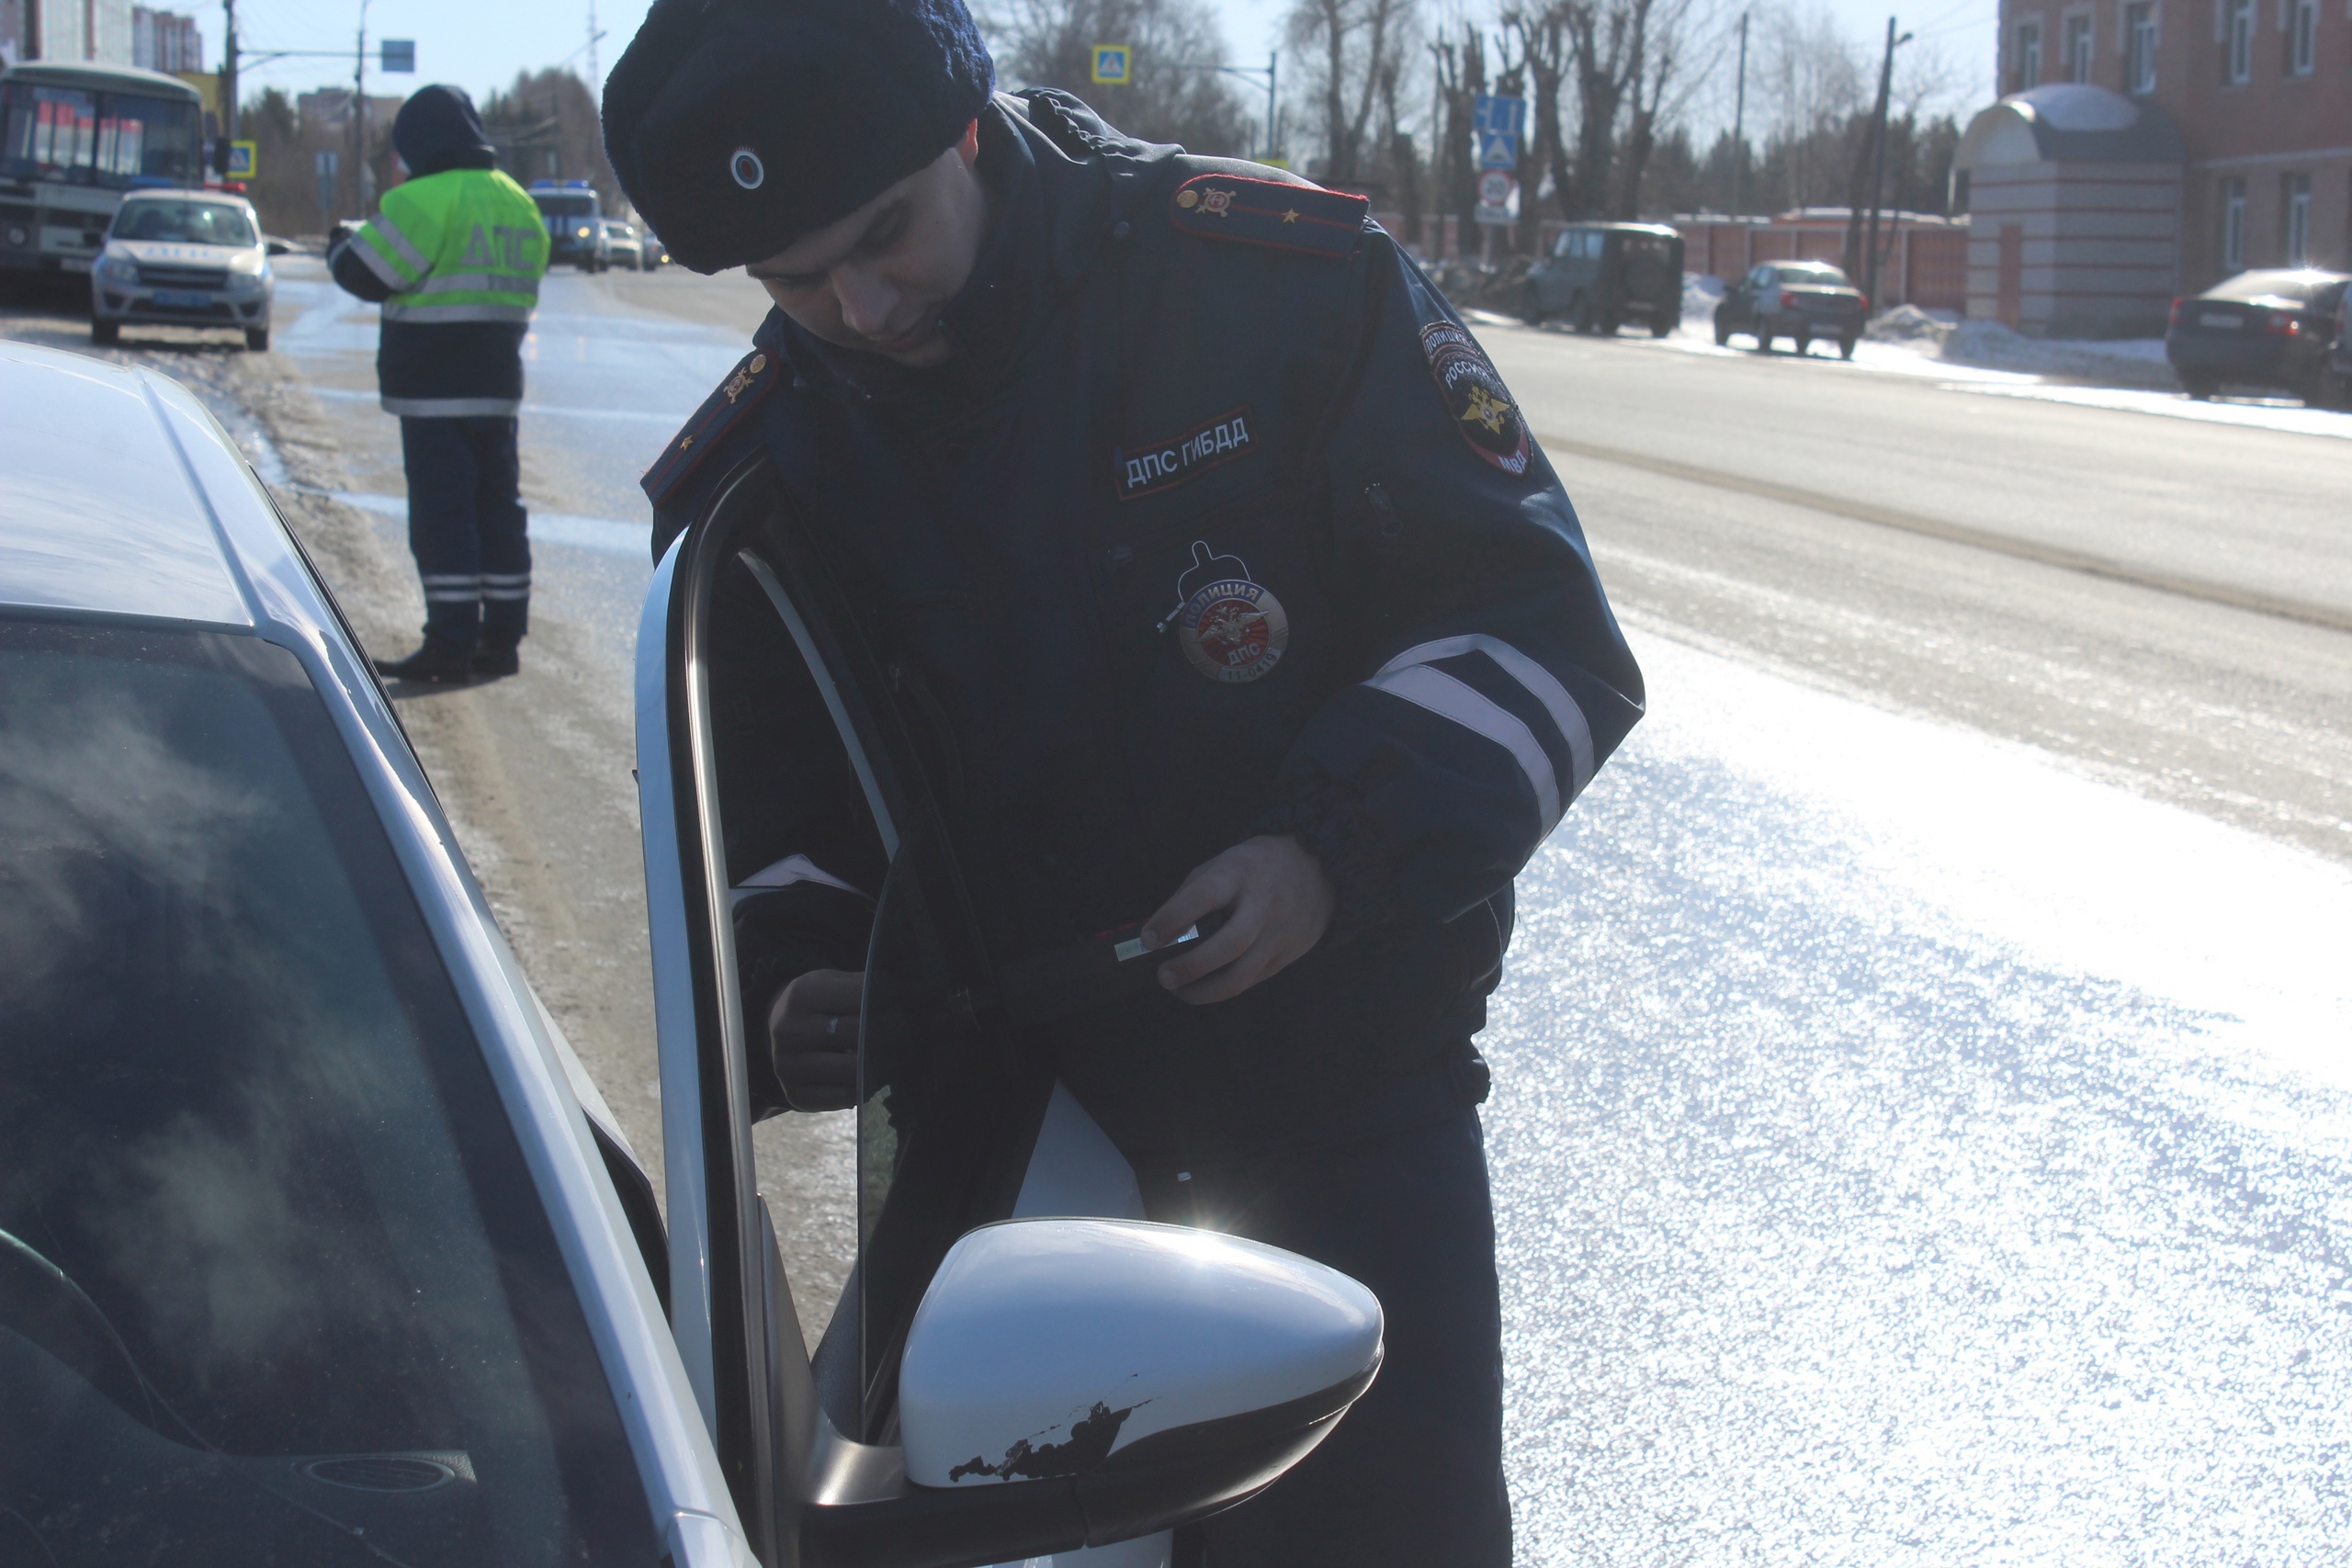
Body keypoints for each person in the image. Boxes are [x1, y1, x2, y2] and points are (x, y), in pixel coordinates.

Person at [603, 1, 1645, 1560]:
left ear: (965, 127)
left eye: (886, 234)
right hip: (1003, 1162)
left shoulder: (1272, 288)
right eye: (797, 279)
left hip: (1341, 1116)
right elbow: (779, 810)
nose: (864, 305)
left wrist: (1323, 851)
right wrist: (803, 976)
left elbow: (1531, 631)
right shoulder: (776, 457)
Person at [326, 85, 549, 682]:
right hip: (497, 385)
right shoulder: (518, 202)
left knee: (443, 516)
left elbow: (365, 273)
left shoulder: (420, 201)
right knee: (499, 508)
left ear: (419, 144)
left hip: (433, 388)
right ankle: (500, 641)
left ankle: (449, 644)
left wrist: (339, 245)